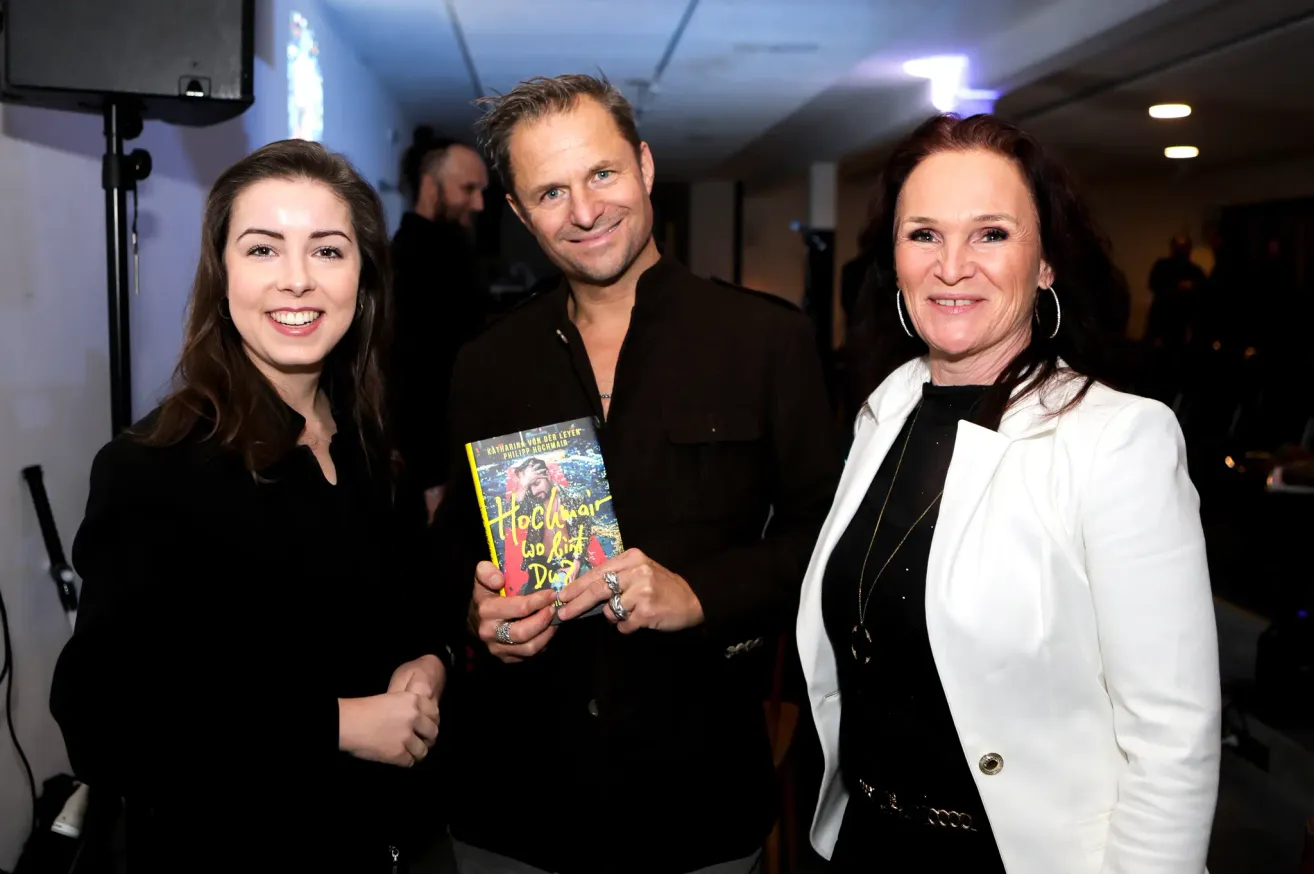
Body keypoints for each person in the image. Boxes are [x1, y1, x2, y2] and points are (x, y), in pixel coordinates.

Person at [433, 73, 842, 874]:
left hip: (692, 801)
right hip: (515, 804)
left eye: (602, 174)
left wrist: (698, 595)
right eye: (550, 191)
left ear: (646, 167)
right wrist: (477, 610)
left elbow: (821, 541)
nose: (584, 212)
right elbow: (452, 543)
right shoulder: (487, 363)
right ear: (518, 212)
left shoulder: (766, 343)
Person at [797, 113, 1220, 874]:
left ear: (1047, 262)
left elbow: (1172, 738)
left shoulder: (1117, 441)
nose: (952, 266)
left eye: (991, 234)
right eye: (923, 234)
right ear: (892, 258)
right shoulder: (885, 407)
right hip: (861, 843)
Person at [49, 140, 448, 873]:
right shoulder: (155, 468)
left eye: (327, 252)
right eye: (263, 250)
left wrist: (430, 663)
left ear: (362, 283)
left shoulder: (372, 449)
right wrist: (338, 726)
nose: (297, 281)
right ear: (222, 275)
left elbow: (414, 611)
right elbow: (102, 720)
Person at [391, 138, 491, 524]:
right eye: (468, 189)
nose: (479, 203)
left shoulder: (450, 252)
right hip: (432, 473)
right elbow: (416, 379)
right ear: (431, 187)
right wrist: (432, 479)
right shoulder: (409, 262)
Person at [1146, 234, 1207, 350]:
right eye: (1179, 247)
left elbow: (1204, 290)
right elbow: (1154, 284)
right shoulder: (1162, 266)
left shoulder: (1195, 271)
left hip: (1183, 323)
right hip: (1162, 320)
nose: (1181, 250)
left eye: (1184, 247)